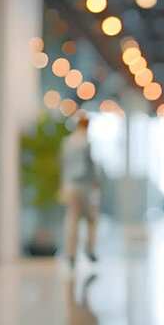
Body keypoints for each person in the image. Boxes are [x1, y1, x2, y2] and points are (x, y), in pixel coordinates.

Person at [61, 114, 101, 267]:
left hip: (70, 185)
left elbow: (64, 165)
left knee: (72, 219)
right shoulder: (86, 142)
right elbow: (90, 166)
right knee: (91, 219)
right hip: (85, 186)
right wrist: (96, 181)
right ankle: (89, 249)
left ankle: (70, 254)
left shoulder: (68, 142)